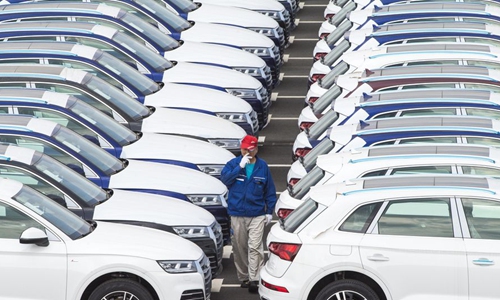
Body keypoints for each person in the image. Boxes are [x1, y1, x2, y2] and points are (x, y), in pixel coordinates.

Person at [220, 134, 277, 293]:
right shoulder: (232, 164)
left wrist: (269, 212)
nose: (247, 152)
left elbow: (270, 191)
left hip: (257, 213)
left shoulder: (262, 166)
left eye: (250, 150)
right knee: (239, 247)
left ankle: (254, 278)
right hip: (237, 214)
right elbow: (225, 180)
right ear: (241, 148)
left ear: (256, 149)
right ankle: (244, 277)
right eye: (245, 149)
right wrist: (240, 167)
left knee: (255, 247)